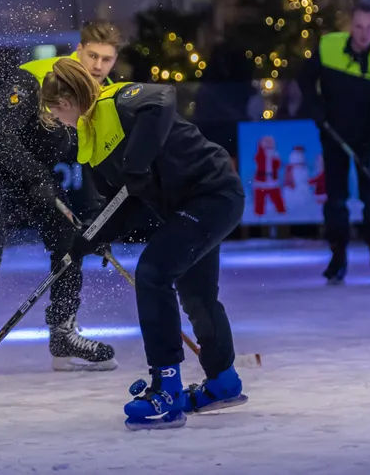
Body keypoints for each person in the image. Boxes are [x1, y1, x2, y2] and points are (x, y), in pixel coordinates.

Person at [41, 59, 247, 431]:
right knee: (196, 292)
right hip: (185, 207)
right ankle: (223, 381)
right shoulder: (91, 145)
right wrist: (95, 234)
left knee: (153, 273)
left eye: (57, 110)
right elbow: (128, 200)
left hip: (214, 193)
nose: (57, 120)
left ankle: (166, 387)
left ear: (70, 99)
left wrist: (136, 160)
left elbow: (164, 98)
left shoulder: (117, 103)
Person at [0, 20, 122, 378]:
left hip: (34, 176)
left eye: (107, 59)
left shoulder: (105, 96)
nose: (98, 66)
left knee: (71, 239)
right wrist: (34, 177)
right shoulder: (38, 75)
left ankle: (63, 334)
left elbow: (92, 158)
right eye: (92, 56)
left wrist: (95, 221)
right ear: (78, 51)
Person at [298, 3, 370, 285]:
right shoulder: (329, 47)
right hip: (333, 135)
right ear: (349, 27)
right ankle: (338, 256)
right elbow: (304, 79)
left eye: (369, 28)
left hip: (367, 140)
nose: (364, 34)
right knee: (336, 200)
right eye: (358, 26)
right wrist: (315, 108)